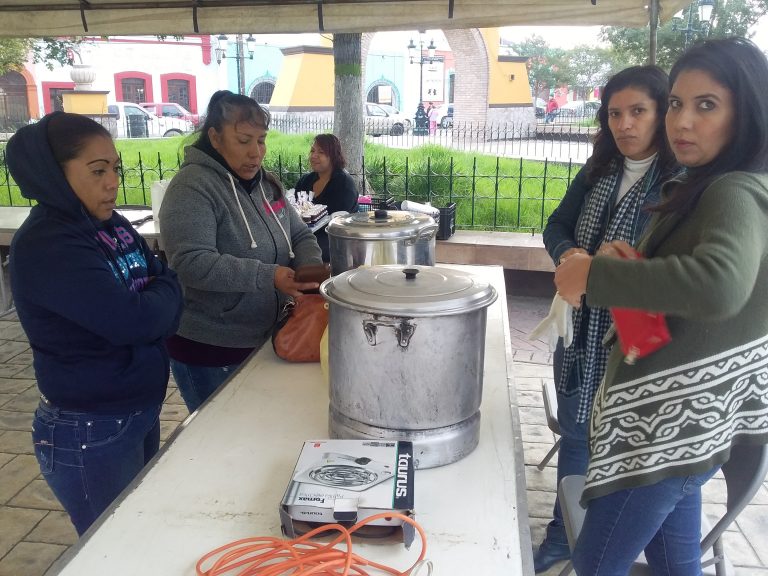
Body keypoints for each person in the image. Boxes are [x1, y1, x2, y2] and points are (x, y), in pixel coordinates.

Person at [555, 37, 768, 575]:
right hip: (694, 429)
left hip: (664, 432)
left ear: (749, 109)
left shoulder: (734, 190)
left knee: (595, 564)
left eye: (707, 105)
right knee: (675, 563)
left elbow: (720, 285)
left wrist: (598, 275)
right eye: (677, 103)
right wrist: (637, 264)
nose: (683, 122)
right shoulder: (714, 183)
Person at [533, 65, 681, 573]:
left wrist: (598, 272)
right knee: (576, 437)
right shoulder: (599, 169)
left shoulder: (679, 183)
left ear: (662, 112)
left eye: (638, 111)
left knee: (621, 450)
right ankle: (560, 538)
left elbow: (673, 270)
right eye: (615, 113)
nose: (625, 124)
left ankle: (602, 539)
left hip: (631, 342)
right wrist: (572, 256)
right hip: (579, 333)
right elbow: (555, 225)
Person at [6, 112, 183, 536]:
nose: (112, 182)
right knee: (112, 548)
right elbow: (132, 320)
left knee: (136, 534)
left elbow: (168, 280)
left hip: (134, 412)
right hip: (89, 428)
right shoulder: (50, 243)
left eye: (115, 168)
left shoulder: (111, 226)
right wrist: (158, 302)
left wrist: (158, 300)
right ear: (53, 173)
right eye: (97, 170)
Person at [159, 90, 323, 413]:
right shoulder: (192, 187)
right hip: (211, 350)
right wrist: (268, 275)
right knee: (220, 443)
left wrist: (310, 272)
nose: (256, 153)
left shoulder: (266, 185)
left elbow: (300, 233)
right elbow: (192, 263)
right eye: (244, 140)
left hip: (264, 338)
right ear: (215, 138)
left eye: (261, 140)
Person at [294, 134, 359, 262]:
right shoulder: (305, 181)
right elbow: (295, 209)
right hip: (303, 236)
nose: (314, 156)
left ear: (334, 156)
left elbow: (339, 222)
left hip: (334, 241)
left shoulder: (344, 184)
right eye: (312, 151)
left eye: (321, 152)